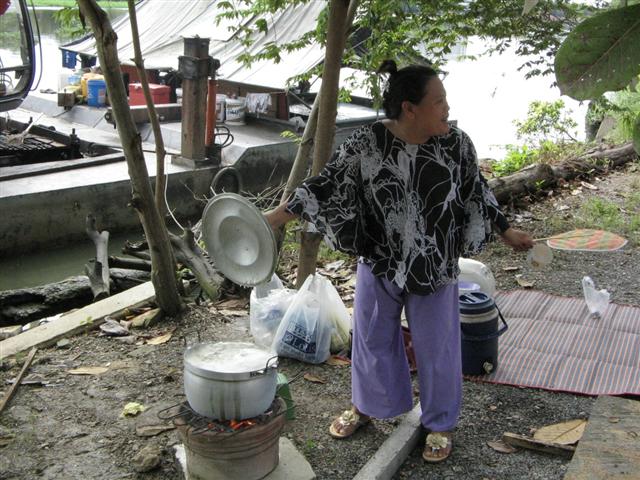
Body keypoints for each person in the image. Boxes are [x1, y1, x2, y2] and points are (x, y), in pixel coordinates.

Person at [264, 60, 534, 463]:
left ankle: (439, 423)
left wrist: (507, 231)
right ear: (410, 108)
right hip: (380, 258)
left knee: (437, 347)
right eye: (438, 101)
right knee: (371, 338)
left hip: (434, 263)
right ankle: (368, 406)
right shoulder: (368, 142)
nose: (447, 108)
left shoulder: (456, 144)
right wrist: (273, 218)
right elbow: (327, 183)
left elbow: (477, 189)